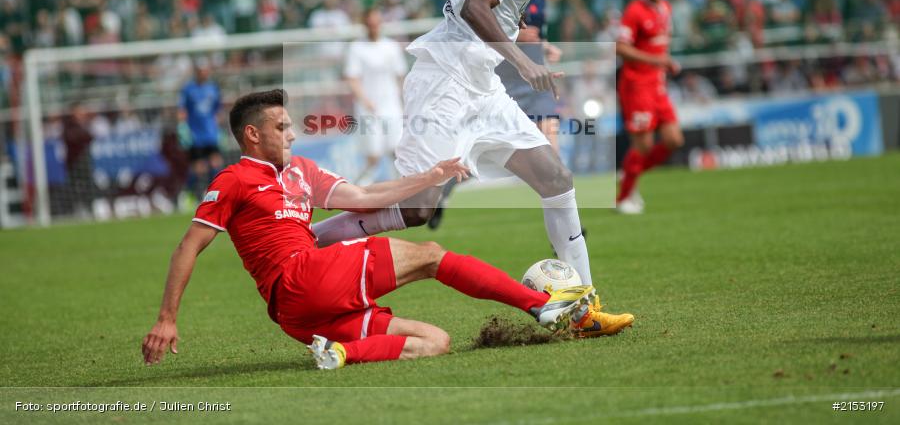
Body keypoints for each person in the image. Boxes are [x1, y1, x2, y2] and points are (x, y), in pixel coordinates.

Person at [141, 90, 633, 371]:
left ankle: (338, 353)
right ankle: (541, 305)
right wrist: (167, 317)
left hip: (297, 315)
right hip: (302, 276)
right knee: (433, 255)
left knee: (434, 341)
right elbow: (190, 245)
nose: (292, 134)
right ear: (253, 135)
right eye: (282, 127)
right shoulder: (234, 179)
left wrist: (431, 176)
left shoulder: (301, 173)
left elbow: (367, 197)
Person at [311, 0, 596, 285]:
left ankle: (584, 299)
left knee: (556, 179)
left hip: (482, 84)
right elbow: (474, 5)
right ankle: (305, 241)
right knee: (417, 209)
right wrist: (523, 62)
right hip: (446, 78)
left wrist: (507, 9)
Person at [427, 0, 562, 229]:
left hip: (535, 81)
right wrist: (519, 38)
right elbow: (476, 26)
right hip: (501, 81)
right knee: (473, 157)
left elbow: (535, 31)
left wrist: (544, 44)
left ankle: (567, 230)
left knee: (552, 159)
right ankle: (440, 194)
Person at [615, 0, 685, 214]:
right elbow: (621, 48)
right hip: (637, 86)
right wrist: (656, 61)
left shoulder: (665, 8)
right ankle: (622, 198)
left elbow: (660, 48)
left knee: (674, 140)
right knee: (642, 144)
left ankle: (629, 176)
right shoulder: (634, 11)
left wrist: (666, 63)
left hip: (658, 86)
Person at [343, 7, 406, 185]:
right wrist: (365, 100)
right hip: (368, 108)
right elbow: (352, 78)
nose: (374, 27)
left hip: (391, 106)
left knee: (397, 152)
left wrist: (402, 100)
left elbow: (399, 76)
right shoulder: (357, 48)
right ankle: (358, 189)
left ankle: (398, 191)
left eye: (377, 23)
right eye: (370, 24)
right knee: (374, 155)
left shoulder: (391, 47)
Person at [178, 59, 223, 202]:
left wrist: (219, 128)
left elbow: (217, 110)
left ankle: (213, 194)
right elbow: (182, 110)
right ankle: (187, 194)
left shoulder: (213, 88)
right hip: (195, 135)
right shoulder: (188, 89)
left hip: (211, 134)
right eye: (201, 70)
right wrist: (182, 128)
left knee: (216, 164)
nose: (204, 73)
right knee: (198, 168)